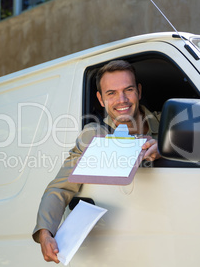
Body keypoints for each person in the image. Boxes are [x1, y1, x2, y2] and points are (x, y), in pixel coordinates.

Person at [32, 60, 161, 263]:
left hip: (167, 234)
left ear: (139, 90)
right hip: (119, 247)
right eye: (111, 93)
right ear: (101, 99)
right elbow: (59, 188)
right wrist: (45, 232)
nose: (122, 99)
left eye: (128, 89)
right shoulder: (95, 136)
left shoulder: (167, 125)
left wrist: (163, 150)